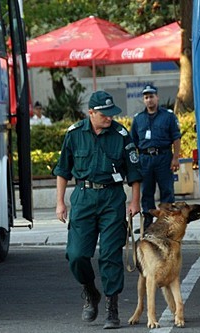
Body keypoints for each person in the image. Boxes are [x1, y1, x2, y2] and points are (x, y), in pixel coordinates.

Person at [53, 90, 142, 329]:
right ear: (91, 113)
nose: (110, 118)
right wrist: (60, 202)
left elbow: (134, 172)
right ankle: (90, 291)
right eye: (104, 114)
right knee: (77, 254)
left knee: (110, 254)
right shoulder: (74, 134)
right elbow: (63, 171)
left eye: (112, 113)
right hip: (83, 197)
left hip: (112, 198)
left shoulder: (121, 134)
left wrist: (135, 202)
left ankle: (112, 308)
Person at [131, 84, 181, 232]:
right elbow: (133, 143)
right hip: (145, 159)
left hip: (164, 157)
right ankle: (147, 222)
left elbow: (176, 138)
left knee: (166, 190)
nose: (149, 100)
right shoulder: (138, 119)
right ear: (143, 100)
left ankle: (166, 222)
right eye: (146, 97)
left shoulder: (168, 116)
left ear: (157, 97)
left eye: (151, 96)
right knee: (147, 191)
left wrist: (176, 158)